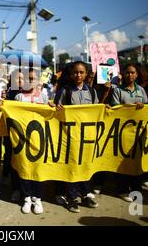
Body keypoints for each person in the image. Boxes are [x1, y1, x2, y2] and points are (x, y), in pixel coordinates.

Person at [51, 61, 99, 213]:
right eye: (76, 72)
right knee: (71, 165)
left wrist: (106, 108)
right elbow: (55, 111)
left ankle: (85, 195)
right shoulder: (65, 91)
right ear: (71, 74)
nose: (78, 75)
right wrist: (54, 107)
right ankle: (71, 198)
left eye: (81, 72)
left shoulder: (92, 92)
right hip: (69, 136)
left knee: (84, 165)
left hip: (86, 137)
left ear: (86, 74)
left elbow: (96, 110)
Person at [111, 63, 148, 202]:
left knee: (137, 161)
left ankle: (136, 189)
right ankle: (122, 189)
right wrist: (131, 107)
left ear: (137, 74)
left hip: (138, 133)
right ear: (123, 74)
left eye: (132, 72)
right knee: (122, 161)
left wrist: (143, 106)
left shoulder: (142, 91)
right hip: (122, 133)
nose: (130, 75)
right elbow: (116, 109)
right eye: (127, 72)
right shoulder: (117, 91)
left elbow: (147, 109)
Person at [14, 68, 48, 215]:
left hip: (40, 141)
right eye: (28, 78)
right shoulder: (19, 97)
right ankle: (27, 197)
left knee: (38, 170)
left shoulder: (44, 96)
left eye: (33, 78)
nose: (30, 81)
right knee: (25, 168)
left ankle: (38, 198)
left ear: (38, 81)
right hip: (23, 140)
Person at [2, 68, 24, 202]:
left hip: (25, 134)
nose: (20, 81)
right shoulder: (8, 93)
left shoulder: (30, 93)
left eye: (22, 78)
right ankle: (11, 182)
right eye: (17, 78)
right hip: (11, 132)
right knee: (10, 155)